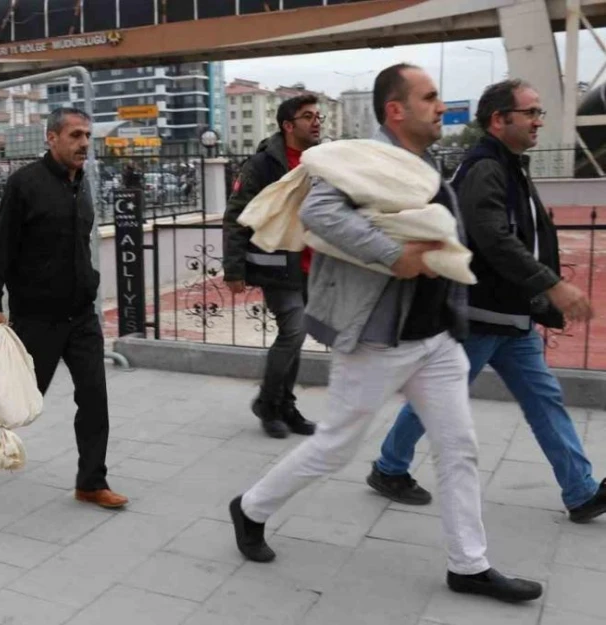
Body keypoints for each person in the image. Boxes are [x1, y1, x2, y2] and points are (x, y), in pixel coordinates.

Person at [230, 64, 543, 603]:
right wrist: (393, 254)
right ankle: (251, 506)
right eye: (429, 97)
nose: (441, 106)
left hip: (435, 337)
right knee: (334, 448)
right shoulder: (357, 159)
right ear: (396, 110)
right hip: (380, 336)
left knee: (459, 447)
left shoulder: (423, 163)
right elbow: (320, 211)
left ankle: (468, 564)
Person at [367, 79, 606, 523]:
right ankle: (389, 466)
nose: (538, 121)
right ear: (500, 119)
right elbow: (492, 238)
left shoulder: (509, 164)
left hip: (512, 316)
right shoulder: (485, 169)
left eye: (539, 113)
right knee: (436, 401)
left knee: (545, 401)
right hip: (478, 316)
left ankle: (580, 491)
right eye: (531, 112)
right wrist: (550, 284)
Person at [0, 107, 128, 510]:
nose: (83, 144)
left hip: (82, 315)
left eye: (87, 136)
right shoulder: (25, 185)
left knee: (94, 398)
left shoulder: (83, 184)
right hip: (37, 316)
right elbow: (0, 248)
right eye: (75, 135)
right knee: (24, 399)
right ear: (52, 138)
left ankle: (91, 481)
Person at [223, 94, 322, 438]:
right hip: (278, 264)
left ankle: (285, 406)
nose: (316, 121)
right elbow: (236, 215)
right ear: (288, 125)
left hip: (313, 263)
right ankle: (268, 403)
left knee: (295, 337)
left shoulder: (321, 161)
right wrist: (233, 269)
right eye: (308, 116)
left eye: (318, 116)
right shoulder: (263, 164)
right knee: (293, 331)